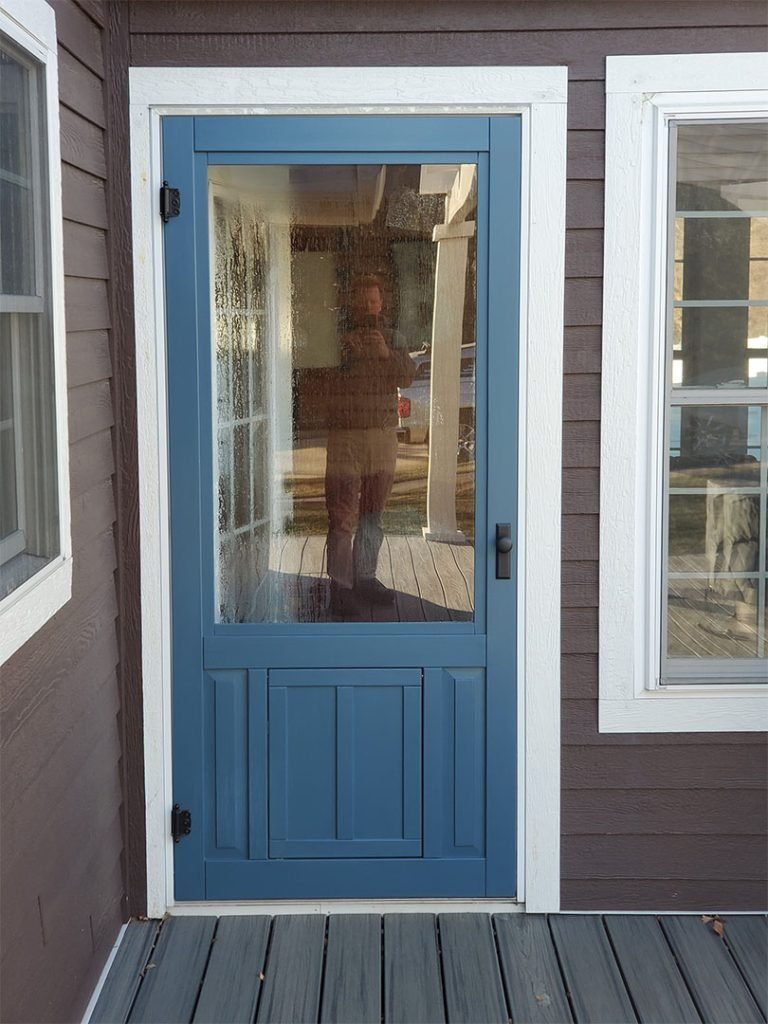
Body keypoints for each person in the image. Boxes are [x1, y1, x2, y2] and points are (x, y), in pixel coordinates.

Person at [324, 275, 416, 616]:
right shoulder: (336, 338)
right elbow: (321, 376)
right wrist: (347, 352)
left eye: (373, 302)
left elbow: (407, 376)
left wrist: (385, 354)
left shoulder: (393, 338)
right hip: (345, 435)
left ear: (382, 304)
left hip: (381, 434)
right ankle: (340, 586)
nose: (367, 308)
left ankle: (366, 577)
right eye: (362, 302)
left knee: (373, 513)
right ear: (352, 303)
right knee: (341, 514)